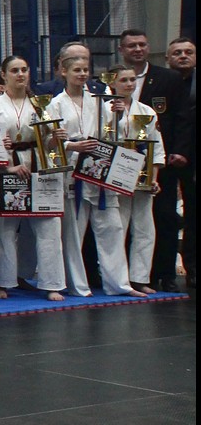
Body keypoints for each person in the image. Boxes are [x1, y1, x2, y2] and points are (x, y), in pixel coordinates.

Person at [0, 56, 66, 301]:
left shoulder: (40, 104)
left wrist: (55, 139)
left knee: (49, 227)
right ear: (4, 75)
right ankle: (1, 282)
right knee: (3, 229)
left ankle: (51, 283)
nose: (20, 74)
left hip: (38, 168)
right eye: (14, 70)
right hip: (6, 169)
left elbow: (47, 143)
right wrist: (9, 167)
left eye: (24, 69)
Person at [48, 56, 139, 298]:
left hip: (100, 167)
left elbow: (112, 134)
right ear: (64, 72)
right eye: (76, 70)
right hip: (73, 169)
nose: (82, 74)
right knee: (73, 231)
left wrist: (117, 115)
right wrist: (71, 145)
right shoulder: (55, 104)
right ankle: (77, 285)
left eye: (85, 70)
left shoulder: (100, 100)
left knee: (113, 227)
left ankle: (119, 284)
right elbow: (48, 141)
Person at [109, 65, 165, 293]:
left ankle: (140, 278)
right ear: (112, 83)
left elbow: (156, 148)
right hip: (116, 172)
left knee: (145, 229)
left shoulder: (146, 111)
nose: (129, 84)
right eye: (124, 80)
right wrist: (115, 116)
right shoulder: (104, 109)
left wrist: (153, 179)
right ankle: (119, 279)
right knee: (118, 227)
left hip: (141, 173)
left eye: (132, 80)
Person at [154, 36, 194, 291]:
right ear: (168, 58)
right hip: (166, 157)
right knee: (165, 214)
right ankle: (162, 270)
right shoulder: (161, 81)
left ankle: (193, 269)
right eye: (177, 52)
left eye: (188, 52)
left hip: (192, 156)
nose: (183, 56)